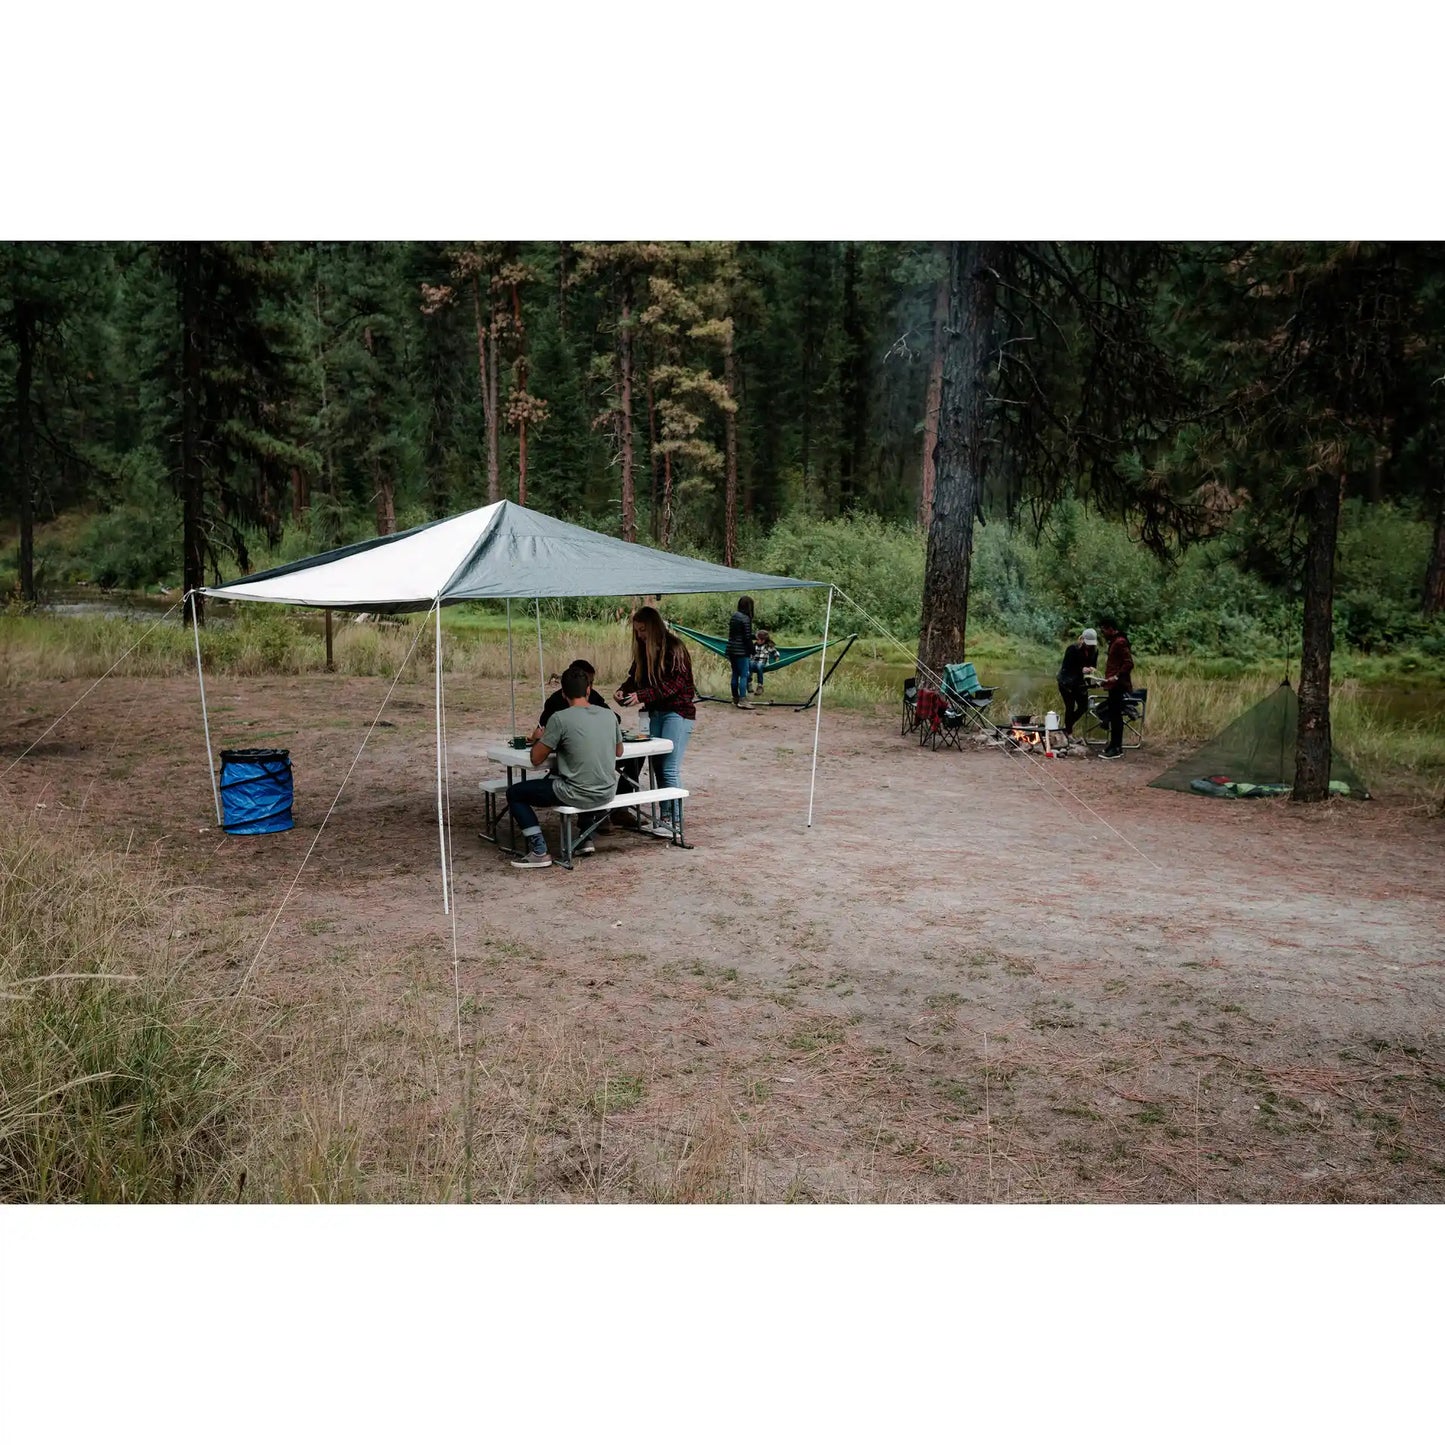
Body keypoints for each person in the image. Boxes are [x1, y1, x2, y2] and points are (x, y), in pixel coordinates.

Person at [507, 663, 624, 869]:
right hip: (607, 790)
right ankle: (585, 837)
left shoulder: (559, 719)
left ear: (563, 693)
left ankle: (539, 850)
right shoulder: (608, 716)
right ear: (589, 689)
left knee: (515, 793)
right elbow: (619, 751)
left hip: (577, 791)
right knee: (584, 774)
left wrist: (538, 739)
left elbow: (536, 758)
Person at [615, 605, 695, 837]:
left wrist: (642, 696)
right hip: (655, 713)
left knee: (669, 767)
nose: (640, 635)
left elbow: (674, 686)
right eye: (637, 631)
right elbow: (635, 678)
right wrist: (624, 691)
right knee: (658, 767)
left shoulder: (675, 648)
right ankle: (665, 817)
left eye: (643, 631)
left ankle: (676, 822)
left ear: (653, 627)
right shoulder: (642, 650)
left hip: (677, 713)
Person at [1096, 616, 1134, 760]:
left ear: (1110, 628)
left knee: (1116, 717)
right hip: (1112, 685)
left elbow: (1129, 663)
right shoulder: (1114, 642)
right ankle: (1113, 745)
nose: (1103, 633)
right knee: (1113, 715)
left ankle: (1116, 748)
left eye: (1104, 630)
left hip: (1118, 685)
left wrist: (1116, 677)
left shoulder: (1120, 642)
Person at [1055, 627, 1098, 739]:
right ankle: (1068, 732)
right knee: (1070, 706)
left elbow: (1093, 665)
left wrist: (1092, 673)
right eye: (1087, 643)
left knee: (1084, 706)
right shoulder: (1072, 649)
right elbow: (1066, 667)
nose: (1089, 646)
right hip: (1066, 682)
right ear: (1082, 639)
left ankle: (1066, 727)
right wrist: (1081, 669)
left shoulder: (1094, 651)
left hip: (1080, 683)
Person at [726, 595, 756, 709]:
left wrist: (755, 636)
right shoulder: (746, 618)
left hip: (731, 649)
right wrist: (752, 650)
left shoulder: (734, 616)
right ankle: (743, 700)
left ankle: (735, 698)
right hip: (742, 651)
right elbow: (746, 638)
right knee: (744, 675)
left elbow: (737, 634)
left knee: (735, 674)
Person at [750, 628, 781, 696]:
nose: (756, 640)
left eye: (758, 639)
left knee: (759, 665)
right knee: (749, 664)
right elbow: (750, 653)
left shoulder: (768, 646)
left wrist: (776, 661)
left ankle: (760, 686)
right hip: (754, 662)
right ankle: (749, 682)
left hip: (763, 663)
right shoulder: (754, 645)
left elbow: (776, 653)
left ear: (763, 640)